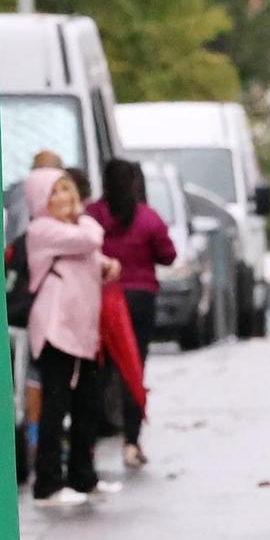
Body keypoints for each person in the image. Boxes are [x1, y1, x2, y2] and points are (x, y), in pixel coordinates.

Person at [23, 168, 121, 506]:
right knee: (55, 405)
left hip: (82, 334)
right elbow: (91, 239)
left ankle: (83, 477)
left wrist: (108, 267)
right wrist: (84, 219)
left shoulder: (70, 229)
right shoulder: (43, 230)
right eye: (55, 192)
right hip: (56, 331)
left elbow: (93, 258)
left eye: (67, 190)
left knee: (86, 406)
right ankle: (47, 484)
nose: (65, 198)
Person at [87, 158, 176, 469]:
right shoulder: (147, 218)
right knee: (133, 369)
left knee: (97, 371)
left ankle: (88, 445)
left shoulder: (93, 215)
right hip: (139, 300)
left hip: (102, 299)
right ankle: (132, 441)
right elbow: (168, 254)